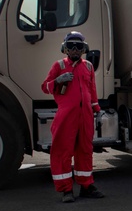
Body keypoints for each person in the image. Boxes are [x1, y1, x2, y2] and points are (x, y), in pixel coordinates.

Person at [41, 32, 106, 202]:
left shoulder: (89, 67)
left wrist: (96, 108)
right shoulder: (59, 66)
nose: (75, 50)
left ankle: (86, 186)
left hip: (85, 115)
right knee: (63, 151)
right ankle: (66, 190)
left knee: (85, 151)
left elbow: (92, 91)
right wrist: (57, 81)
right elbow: (45, 88)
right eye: (71, 46)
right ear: (65, 48)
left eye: (78, 46)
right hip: (66, 115)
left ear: (84, 49)